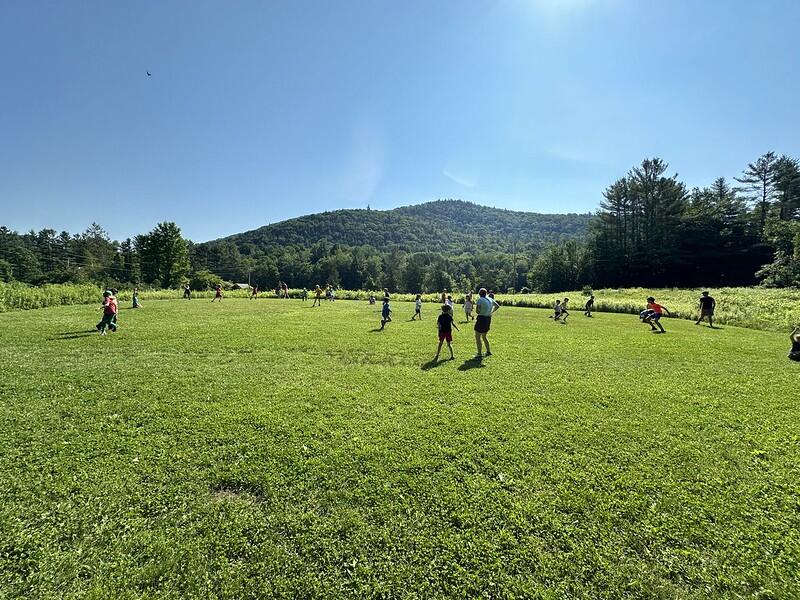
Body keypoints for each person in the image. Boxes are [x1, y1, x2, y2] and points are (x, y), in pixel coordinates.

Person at [474, 288, 500, 358]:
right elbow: (497, 306)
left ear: (479, 293)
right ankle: (488, 351)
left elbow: (477, 311)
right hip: (488, 318)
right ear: (486, 293)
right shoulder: (490, 299)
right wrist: (491, 312)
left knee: (477, 336)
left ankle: (479, 353)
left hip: (481, 318)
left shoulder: (480, 300)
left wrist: (481, 310)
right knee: (484, 336)